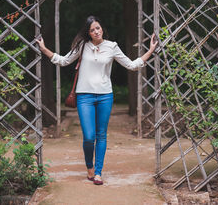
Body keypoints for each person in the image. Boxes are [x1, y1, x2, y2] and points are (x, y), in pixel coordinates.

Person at [36, 15, 158, 185]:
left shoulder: (112, 46)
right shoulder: (82, 46)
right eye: (92, 30)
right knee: (89, 136)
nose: (96, 31)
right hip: (84, 96)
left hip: (105, 96)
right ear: (88, 32)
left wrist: (150, 50)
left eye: (98, 28)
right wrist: (44, 49)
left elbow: (131, 65)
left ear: (102, 29)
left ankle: (98, 172)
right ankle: (89, 167)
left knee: (101, 135)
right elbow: (63, 61)